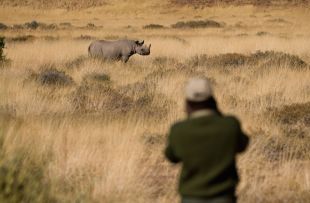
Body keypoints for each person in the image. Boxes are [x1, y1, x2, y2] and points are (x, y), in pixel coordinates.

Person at [165, 77, 249, 203]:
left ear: (187, 102)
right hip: (224, 197)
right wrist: (217, 114)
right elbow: (243, 145)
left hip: (191, 197)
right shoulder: (230, 125)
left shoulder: (179, 130)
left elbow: (171, 157)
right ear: (212, 100)